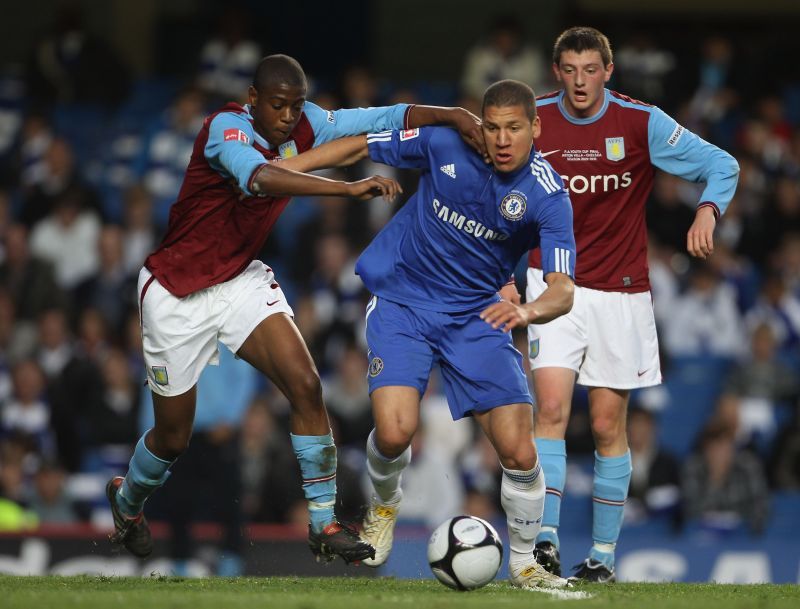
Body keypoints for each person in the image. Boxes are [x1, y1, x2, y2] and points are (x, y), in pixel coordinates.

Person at [105, 53, 486, 565]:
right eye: (278, 105)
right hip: (176, 293)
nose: (288, 116)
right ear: (254, 100)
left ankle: (323, 522)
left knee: (306, 385)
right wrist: (346, 187)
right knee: (174, 436)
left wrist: (452, 115)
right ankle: (128, 502)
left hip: (237, 279)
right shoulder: (225, 128)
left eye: (295, 106)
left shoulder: (310, 124)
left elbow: (383, 118)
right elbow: (260, 178)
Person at [288, 79, 576, 588]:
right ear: (479, 125)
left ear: (536, 127)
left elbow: (563, 290)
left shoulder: (548, 195)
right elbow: (362, 143)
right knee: (396, 432)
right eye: (492, 127)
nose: (502, 139)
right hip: (404, 302)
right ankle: (383, 510)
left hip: (478, 314)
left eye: (514, 128)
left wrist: (527, 312)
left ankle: (527, 562)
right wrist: (290, 169)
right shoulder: (444, 143)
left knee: (519, 451)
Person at [524, 27, 740, 582]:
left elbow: (723, 165)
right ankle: (543, 541)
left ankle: (603, 557)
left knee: (604, 424)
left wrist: (707, 211)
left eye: (590, 69)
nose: (579, 81)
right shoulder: (535, 120)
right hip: (551, 281)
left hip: (620, 290)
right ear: (556, 72)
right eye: (569, 69)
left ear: (608, 71)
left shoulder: (642, 121)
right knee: (549, 409)